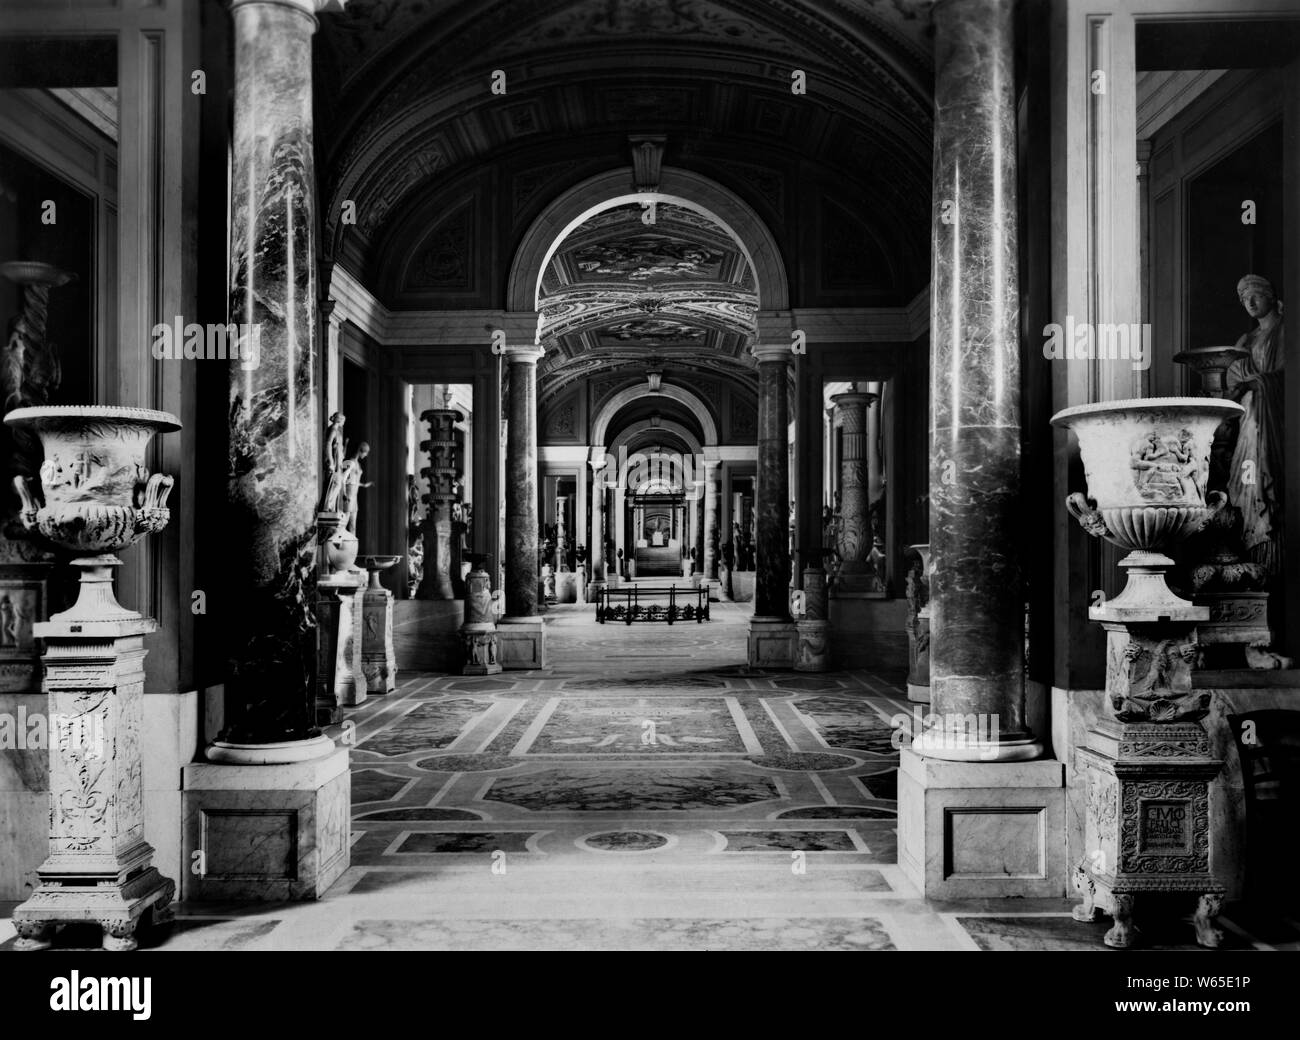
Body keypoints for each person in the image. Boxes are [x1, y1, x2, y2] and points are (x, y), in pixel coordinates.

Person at [1225, 274, 1285, 578]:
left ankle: (1269, 557)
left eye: (1255, 296)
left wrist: (1256, 381)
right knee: (1243, 484)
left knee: (1265, 479)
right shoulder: (1245, 341)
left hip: (1270, 418)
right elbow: (1231, 381)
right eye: (1244, 299)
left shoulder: (1283, 332)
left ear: (1270, 297)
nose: (1249, 303)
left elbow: (1285, 377)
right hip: (1248, 414)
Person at [338, 442, 372, 535]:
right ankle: (339, 547)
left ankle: (352, 549)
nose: (366, 455)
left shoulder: (357, 464)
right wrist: (344, 493)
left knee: (353, 527)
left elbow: (353, 481)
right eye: (365, 452)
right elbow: (343, 478)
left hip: (354, 498)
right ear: (361, 451)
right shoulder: (352, 462)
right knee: (343, 525)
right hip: (349, 496)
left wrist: (364, 485)